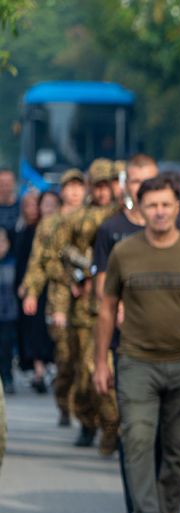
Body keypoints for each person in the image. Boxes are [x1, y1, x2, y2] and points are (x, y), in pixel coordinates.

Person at [93, 174, 180, 513]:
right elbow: (107, 307)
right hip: (137, 362)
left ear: (177, 207)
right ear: (139, 208)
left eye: (166, 205)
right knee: (139, 438)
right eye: (152, 205)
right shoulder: (124, 253)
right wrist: (100, 361)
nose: (160, 212)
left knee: (178, 448)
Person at [61, 159, 120, 451]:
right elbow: (59, 254)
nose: (102, 191)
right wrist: (77, 275)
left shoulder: (123, 216)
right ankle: (87, 422)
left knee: (114, 372)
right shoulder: (77, 218)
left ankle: (113, 426)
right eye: (97, 185)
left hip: (120, 304)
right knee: (85, 373)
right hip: (86, 307)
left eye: (106, 185)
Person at [21, 170, 85, 426]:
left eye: (79, 186)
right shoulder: (49, 223)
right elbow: (37, 260)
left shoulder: (94, 218)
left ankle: (88, 415)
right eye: (69, 186)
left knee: (87, 359)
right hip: (59, 298)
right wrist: (31, 291)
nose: (74, 192)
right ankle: (64, 405)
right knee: (65, 356)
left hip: (89, 298)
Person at [14, 190, 53, 393]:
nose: (31, 209)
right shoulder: (23, 231)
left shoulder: (45, 231)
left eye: (34, 204)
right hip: (29, 289)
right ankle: (38, 370)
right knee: (33, 330)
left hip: (48, 288)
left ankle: (47, 369)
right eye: (27, 205)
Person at [0, 229, 17, 393]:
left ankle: (7, 377)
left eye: (2, 242)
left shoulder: (13, 262)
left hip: (8, 314)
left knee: (6, 348)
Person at [0, 168, 18, 233]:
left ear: (14, 185)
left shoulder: (22, 206)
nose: (5, 188)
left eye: (8, 184)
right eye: (2, 184)